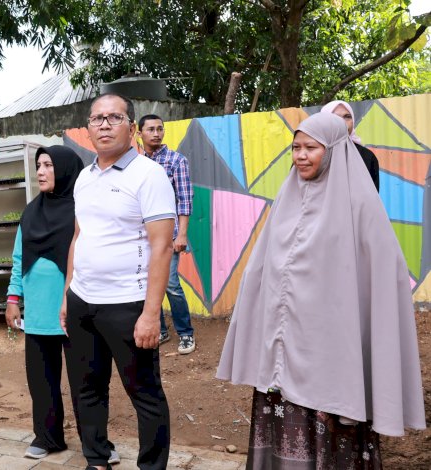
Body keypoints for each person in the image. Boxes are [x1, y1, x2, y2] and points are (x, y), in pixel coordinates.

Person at [216, 112, 425, 468]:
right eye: (295, 147)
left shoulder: (360, 204)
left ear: (333, 150)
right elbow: (262, 267)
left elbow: (383, 271)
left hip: (332, 353)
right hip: (284, 348)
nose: (300, 155)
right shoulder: (287, 198)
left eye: (310, 148)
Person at [62, 94, 176, 470]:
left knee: (145, 394)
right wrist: (67, 294)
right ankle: (96, 460)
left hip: (128, 303)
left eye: (114, 117)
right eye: (97, 119)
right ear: (88, 128)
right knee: (86, 388)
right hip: (82, 301)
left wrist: (150, 314)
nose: (105, 125)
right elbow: (79, 237)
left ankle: (151, 467)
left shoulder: (149, 175)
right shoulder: (84, 177)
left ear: (132, 127)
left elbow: (162, 247)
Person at [5, 146, 83, 460]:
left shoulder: (83, 210)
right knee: (41, 380)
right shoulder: (30, 212)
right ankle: (47, 437)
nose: (40, 172)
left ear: (64, 170)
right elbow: (18, 258)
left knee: (85, 382)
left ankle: (95, 443)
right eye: (39, 165)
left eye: (48, 165)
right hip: (37, 310)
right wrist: (13, 299)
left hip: (75, 309)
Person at [137, 114, 196, 354]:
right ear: (139, 133)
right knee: (149, 284)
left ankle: (186, 333)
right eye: (150, 129)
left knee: (171, 285)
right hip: (143, 237)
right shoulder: (136, 163)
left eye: (160, 129)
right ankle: (160, 330)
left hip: (169, 236)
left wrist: (182, 235)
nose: (156, 133)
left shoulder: (176, 161)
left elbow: (184, 199)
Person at [321, 100, 380, 192]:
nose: (342, 122)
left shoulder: (366, 156)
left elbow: (372, 195)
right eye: (334, 117)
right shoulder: (312, 153)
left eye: (347, 117)